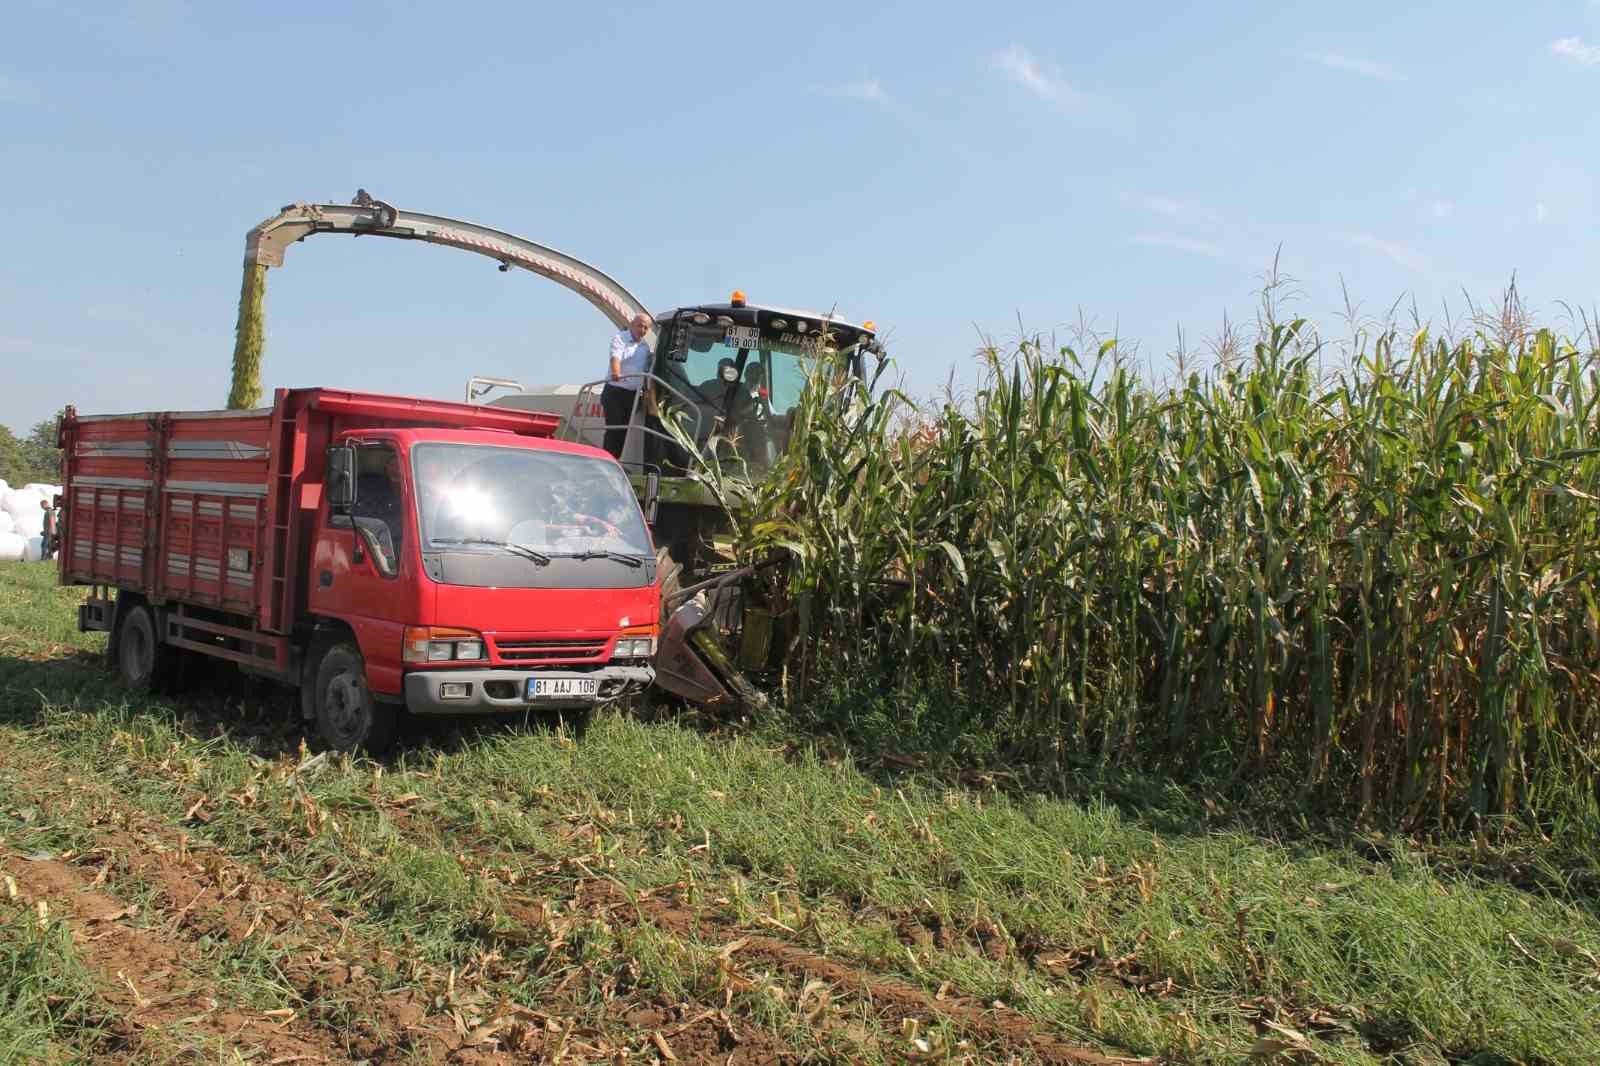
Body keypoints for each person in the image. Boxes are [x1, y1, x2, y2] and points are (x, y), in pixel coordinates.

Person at [601, 312, 653, 459]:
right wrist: (616, 373)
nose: (642, 330)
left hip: (633, 395)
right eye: (640, 326)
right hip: (615, 392)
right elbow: (615, 357)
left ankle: (615, 460)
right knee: (614, 428)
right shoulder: (620, 338)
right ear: (632, 324)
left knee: (623, 431)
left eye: (646, 328)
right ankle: (607, 460)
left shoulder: (645, 347)